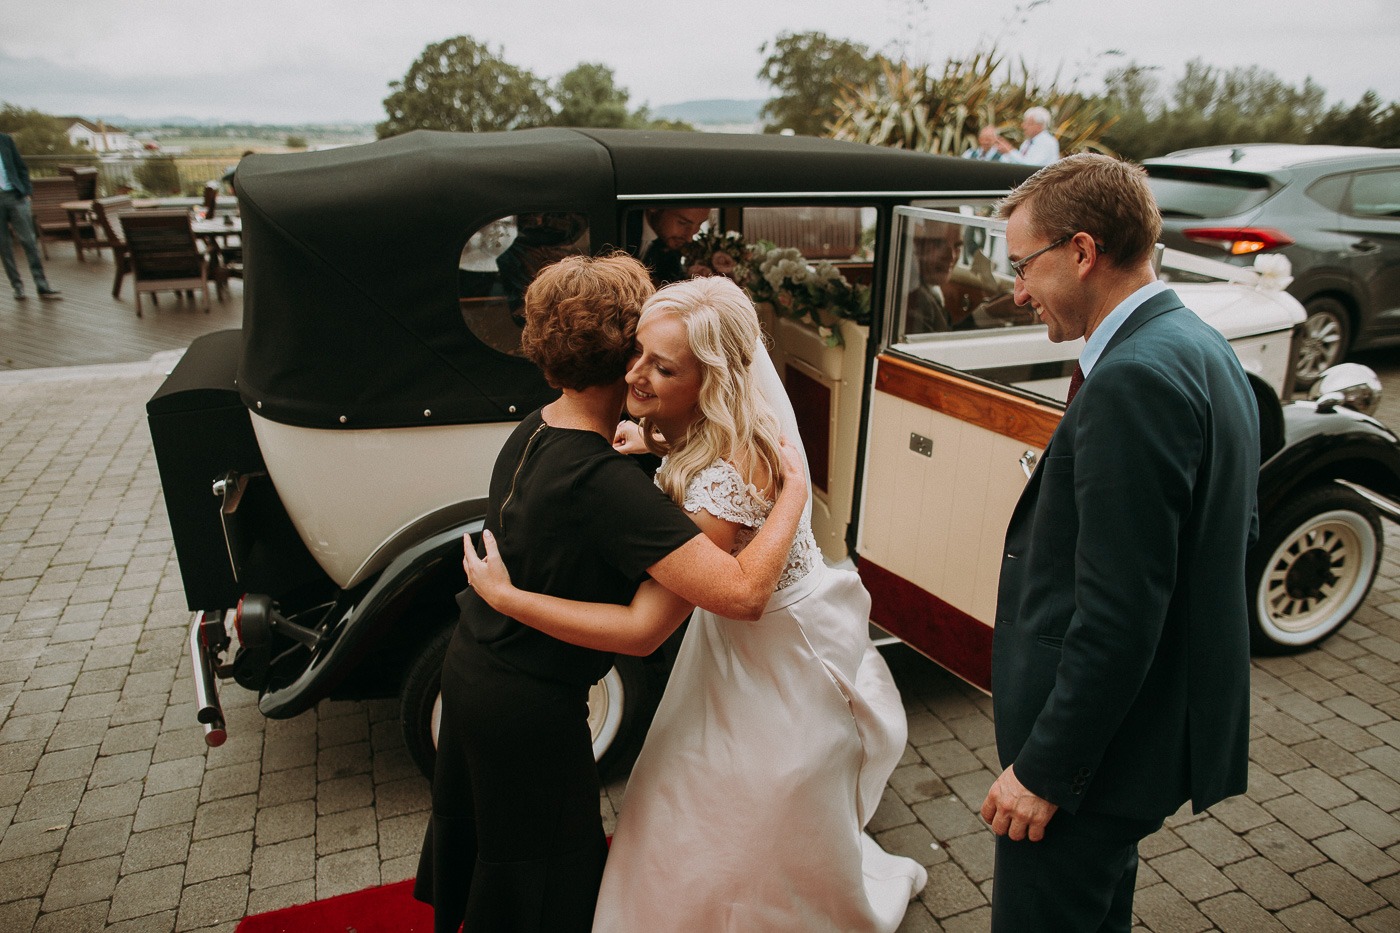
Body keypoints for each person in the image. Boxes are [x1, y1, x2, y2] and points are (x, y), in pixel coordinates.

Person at [467, 275, 929, 932]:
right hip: (729, 640)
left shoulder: (738, 465)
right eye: (637, 354)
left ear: (710, 377)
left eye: (662, 366)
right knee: (692, 780)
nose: (635, 377)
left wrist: (512, 599)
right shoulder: (694, 422)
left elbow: (719, 600)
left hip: (774, 645)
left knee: (752, 794)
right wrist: (652, 442)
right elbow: (693, 454)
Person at [414, 254, 809, 933]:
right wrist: (797, 491)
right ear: (630, 347)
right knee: (546, 881)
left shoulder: (536, 427)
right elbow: (722, 599)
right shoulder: (608, 485)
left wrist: (652, 449)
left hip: (472, 672)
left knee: (495, 861)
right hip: (528, 709)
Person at [980, 154, 1259, 932]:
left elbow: (1121, 611)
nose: (1017, 290)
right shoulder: (1197, 342)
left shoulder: (1133, 379)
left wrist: (1043, 770)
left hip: (1095, 762)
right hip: (1138, 737)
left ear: (1081, 250)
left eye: (1024, 265)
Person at [0, 132, 61, 301]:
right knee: (4, 247)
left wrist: (27, 193)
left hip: (15, 197)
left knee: (29, 241)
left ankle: (42, 285)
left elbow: (21, 167)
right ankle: (17, 287)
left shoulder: (5, 140)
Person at [906, 219, 964, 332]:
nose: (951, 256)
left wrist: (986, 312)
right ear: (916, 245)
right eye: (938, 244)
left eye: (957, 246)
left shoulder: (929, 289)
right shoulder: (917, 299)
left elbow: (944, 337)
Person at [637, 206, 709, 286]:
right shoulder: (624, 224)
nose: (689, 238)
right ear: (654, 207)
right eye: (682, 223)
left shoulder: (669, 242)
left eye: (700, 224)